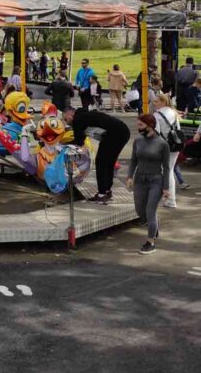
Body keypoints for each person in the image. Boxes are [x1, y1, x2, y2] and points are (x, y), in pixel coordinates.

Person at [63, 106, 131, 203]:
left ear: (70, 114)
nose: (67, 122)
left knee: (101, 162)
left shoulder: (77, 119)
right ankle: (107, 191)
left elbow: (79, 142)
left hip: (114, 134)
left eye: (66, 119)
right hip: (122, 131)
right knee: (109, 162)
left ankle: (102, 194)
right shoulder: (85, 115)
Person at [127, 113, 170, 254]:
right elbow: (133, 160)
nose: (138, 127)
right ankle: (155, 226)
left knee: (150, 211)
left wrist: (166, 187)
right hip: (140, 180)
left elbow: (167, 167)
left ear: (150, 125)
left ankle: (150, 241)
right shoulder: (138, 140)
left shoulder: (162, 144)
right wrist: (130, 176)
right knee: (140, 210)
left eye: (140, 125)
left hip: (156, 181)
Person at [152, 93, 181, 209]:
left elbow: (156, 133)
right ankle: (170, 199)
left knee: (164, 172)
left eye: (156, 101)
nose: (154, 104)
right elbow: (178, 129)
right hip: (175, 145)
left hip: (163, 147)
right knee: (170, 171)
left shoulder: (156, 115)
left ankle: (168, 199)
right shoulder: (174, 112)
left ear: (163, 102)